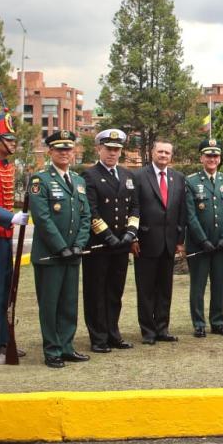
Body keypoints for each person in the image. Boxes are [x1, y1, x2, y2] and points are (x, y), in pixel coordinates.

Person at [29, 130, 91, 368]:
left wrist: (78, 244)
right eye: (59, 149)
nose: (65, 153)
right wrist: (61, 246)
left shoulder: (78, 180)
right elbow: (42, 218)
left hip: (72, 254)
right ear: (50, 152)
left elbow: (85, 215)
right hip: (50, 256)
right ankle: (52, 350)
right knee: (50, 304)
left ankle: (67, 346)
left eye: (68, 149)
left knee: (68, 304)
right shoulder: (40, 180)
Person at [81, 128, 139, 354]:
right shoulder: (90, 175)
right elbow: (91, 211)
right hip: (99, 245)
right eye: (108, 149)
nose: (112, 153)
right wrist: (109, 237)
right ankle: (98, 337)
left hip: (121, 245)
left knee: (115, 291)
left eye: (116, 149)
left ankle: (113, 334)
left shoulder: (127, 176)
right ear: (99, 149)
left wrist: (130, 233)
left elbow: (135, 206)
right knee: (96, 292)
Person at [133, 140, 186, 345]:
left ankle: (162, 328)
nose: (163, 155)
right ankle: (148, 331)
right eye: (160, 151)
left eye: (167, 152)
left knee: (165, 289)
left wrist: (180, 240)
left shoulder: (178, 178)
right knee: (146, 289)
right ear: (153, 153)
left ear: (171, 156)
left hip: (169, 242)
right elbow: (134, 208)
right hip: (145, 242)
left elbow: (182, 211)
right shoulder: (138, 176)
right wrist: (134, 237)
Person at [185, 139, 223, 338]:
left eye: (215, 155)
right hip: (199, 245)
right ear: (201, 158)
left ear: (220, 158)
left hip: (221, 245)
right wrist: (202, 240)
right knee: (198, 286)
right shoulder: (191, 181)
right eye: (208, 155)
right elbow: (189, 215)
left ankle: (217, 321)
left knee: (219, 285)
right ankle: (199, 324)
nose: (212, 159)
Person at [0, 110, 29, 366]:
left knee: (5, 292)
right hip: (2, 231)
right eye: (7, 138)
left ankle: (3, 341)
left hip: (4, 238)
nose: (12, 143)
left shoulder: (7, 167)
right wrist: (9, 217)